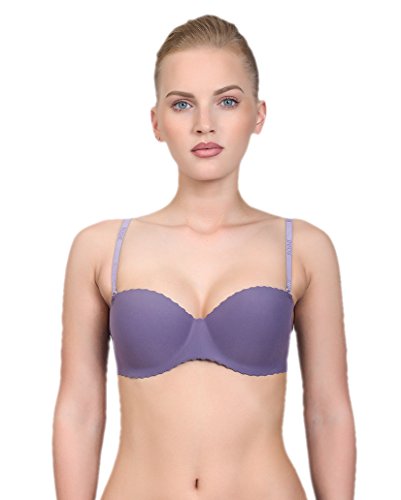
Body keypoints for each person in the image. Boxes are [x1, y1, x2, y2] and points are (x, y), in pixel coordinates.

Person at [52, 14, 356, 499]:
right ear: (157, 122)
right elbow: (79, 410)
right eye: (182, 104)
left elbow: (327, 410)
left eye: (227, 101)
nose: (204, 124)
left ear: (259, 114)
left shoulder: (302, 247)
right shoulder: (102, 248)